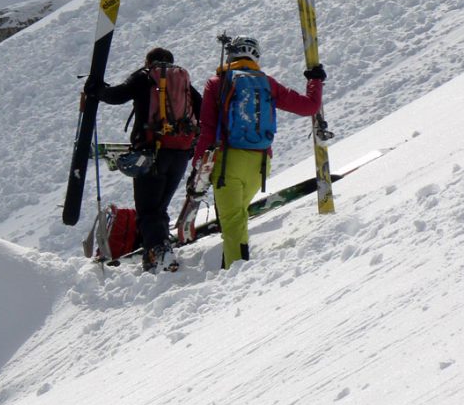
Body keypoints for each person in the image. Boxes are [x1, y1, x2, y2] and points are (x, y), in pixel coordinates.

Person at [192, 36, 326, 270]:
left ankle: (236, 275)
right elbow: (309, 107)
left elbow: (207, 128)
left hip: (228, 164)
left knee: (233, 222)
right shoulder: (267, 83)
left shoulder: (217, 83)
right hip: (260, 164)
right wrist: (315, 81)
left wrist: (198, 164)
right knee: (240, 216)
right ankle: (236, 266)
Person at [85, 47, 202, 273]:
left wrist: (96, 89)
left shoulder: (145, 76)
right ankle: (158, 251)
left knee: (147, 210)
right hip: (179, 154)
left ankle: (159, 254)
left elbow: (116, 95)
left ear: (149, 61)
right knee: (159, 207)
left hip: (151, 153)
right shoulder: (184, 83)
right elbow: (204, 109)